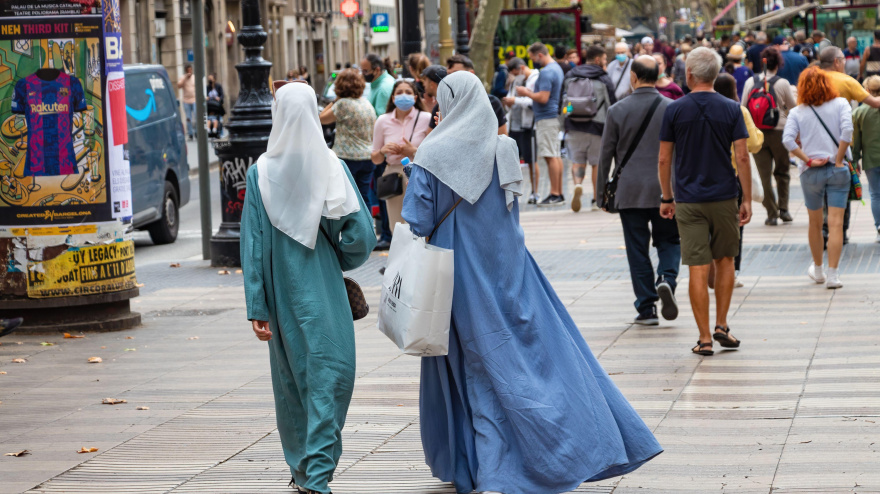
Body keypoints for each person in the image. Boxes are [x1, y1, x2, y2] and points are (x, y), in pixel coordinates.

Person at [404, 69, 662, 494]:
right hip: (512, 273)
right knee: (532, 361)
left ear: (448, 103)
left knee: (479, 370)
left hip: (458, 279)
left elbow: (417, 219)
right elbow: (512, 213)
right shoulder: (504, 147)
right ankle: (559, 448)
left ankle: (495, 471)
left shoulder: (433, 153)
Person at [241, 82, 375, 494]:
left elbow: (252, 244)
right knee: (332, 374)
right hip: (324, 291)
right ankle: (317, 473)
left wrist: (257, 306)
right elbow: (360, 237)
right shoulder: (331, 167)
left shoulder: (260, 172)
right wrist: (337, 254)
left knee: (292, 380)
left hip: (282, 297)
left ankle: (305, 470)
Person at [658, 47, 752, 356]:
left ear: (689, 75)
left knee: (697, 268)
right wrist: (746, 198)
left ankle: (704, 339)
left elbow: (664, 159)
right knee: (725, 261)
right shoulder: (730, 108)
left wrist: (666, 197)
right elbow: (741, 155)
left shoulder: (673, 110)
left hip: (688, 199)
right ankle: (722, 325)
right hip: (724, 196)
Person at [597, 55, 679, 325]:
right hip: (665, 188)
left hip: (629, 191)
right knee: (669, 240)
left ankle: (646, 307)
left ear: (633, 77)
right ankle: (666, 278)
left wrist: (601, 194)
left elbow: (605, 155)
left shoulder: (617, 110)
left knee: (636, 247)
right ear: (657, 76)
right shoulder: (672, 108)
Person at [782, 66, 852, 289]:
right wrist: (839, 158)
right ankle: (833, 275)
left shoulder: (797, 112)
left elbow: (788, 140)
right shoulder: (841, 104)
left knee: (814, 223)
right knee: (836, 224)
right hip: (837, 170)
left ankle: (819, 270)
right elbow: (847, 131)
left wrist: (808, 159)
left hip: (811, 172)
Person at [716, 72, 764, 288]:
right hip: (732, 175)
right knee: (736, 225)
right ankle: (731, 272)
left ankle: (710, 270)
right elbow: (752, 145)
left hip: (703, 176)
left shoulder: (702, 108)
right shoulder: (739, 110)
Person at [741, 46, 797, 225]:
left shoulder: (751, 82)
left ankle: (771, 213)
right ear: (778, 64)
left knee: (764, 175)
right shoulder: (782, 83)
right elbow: (793, 108)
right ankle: (784, 210)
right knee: (782, 172)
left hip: (757, 134)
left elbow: (743, 107)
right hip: (779, 132)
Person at [371, 79, 431, 237]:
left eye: (408, 92)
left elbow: (434, 154)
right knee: (397, 226)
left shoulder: (426, 118)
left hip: (420, 173)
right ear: (392, 98)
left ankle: (420, 260)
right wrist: (383, 151)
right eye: (399, 93)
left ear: (415, 97)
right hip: (394, 175)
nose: (403, 96)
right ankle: (402, 261)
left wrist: (412, 151)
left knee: (421, 224)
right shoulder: (382, 121)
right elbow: (375, 158)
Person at [564, 45, 617, 212]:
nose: (605, 62)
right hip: (597, 125)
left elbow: (564, 103)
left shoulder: (570, 76)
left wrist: (564, 122)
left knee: (577, 161)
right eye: (604, 59)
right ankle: (596, 198)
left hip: (573, 124)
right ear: (597, 60)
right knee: (596, 163)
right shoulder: (603, 78)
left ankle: (578, 185)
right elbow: (612, 105)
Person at [319, 68, 377, 205]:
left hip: (348, 158)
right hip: (368, 157)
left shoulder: (342, 104)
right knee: (363, 197)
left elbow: (322, 119)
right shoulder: (366, 103)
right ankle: (367, 225)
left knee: (347, 200)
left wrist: (334, 101)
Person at [518, 42, 565, 206]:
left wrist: (526, 93)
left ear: (539, 55)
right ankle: (558, 192)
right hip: (552, 116)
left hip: (546, 117)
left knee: (550, 156)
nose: (533, 62)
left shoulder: (546, 72)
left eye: (533, 58)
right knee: (555, 154)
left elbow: (543, 98)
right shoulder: (557, 68)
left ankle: (554, 194)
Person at [503, 57, 541, 204]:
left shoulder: (535, 79)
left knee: (531, 160)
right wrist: (509, 103)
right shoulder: (514, 82)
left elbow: (533, 102)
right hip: (513, 125)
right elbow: (510, 98)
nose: (515, 76)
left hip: (528, 125)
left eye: (516, 73)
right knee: (512, 160)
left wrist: (516, 101)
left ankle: (535, 192)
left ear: (521, 68)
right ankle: (511, 192)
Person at [445, 55, 508, 133]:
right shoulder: (445, 104)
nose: (450, 78)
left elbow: (503, 137)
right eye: (448, 74)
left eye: (456, 73)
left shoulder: (491, 103)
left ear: (471, 73)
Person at [853, 75, 880, 243]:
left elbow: (855, 141)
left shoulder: (859, 112)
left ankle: (879, 227)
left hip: (871, 160)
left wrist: (855, 160)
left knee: (876, 194)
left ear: (867, 91)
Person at [420, 64, 447, 138]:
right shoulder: (441, 105)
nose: (423, 84)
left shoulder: (440, 107)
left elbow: (429, 139)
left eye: (425, 80)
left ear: (432, 84)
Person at [177, 64, 196, 140]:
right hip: (186, 101)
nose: (190, 72)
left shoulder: (194, 77)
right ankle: (190, 133)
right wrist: (185, 78)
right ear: (186, 71)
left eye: (190, 70)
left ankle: (197, 132)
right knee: (188, 118)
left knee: (196, 116)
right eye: (188, 70)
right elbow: (179, 86)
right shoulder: (182, 78)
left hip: (194, 100)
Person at [206, 73, 224, 138]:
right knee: (209, 119)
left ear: (214, 79)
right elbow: (205, 95)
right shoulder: (208, 87)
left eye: (211, 79)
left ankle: (220, 133)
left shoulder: (218, 86)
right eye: (209, 79)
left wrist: (219, 98)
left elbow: (222, 95)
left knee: (219, 119)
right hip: (210, 106)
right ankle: (209, 131)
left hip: (217, 106)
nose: (210, 80)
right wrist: (206, 97)